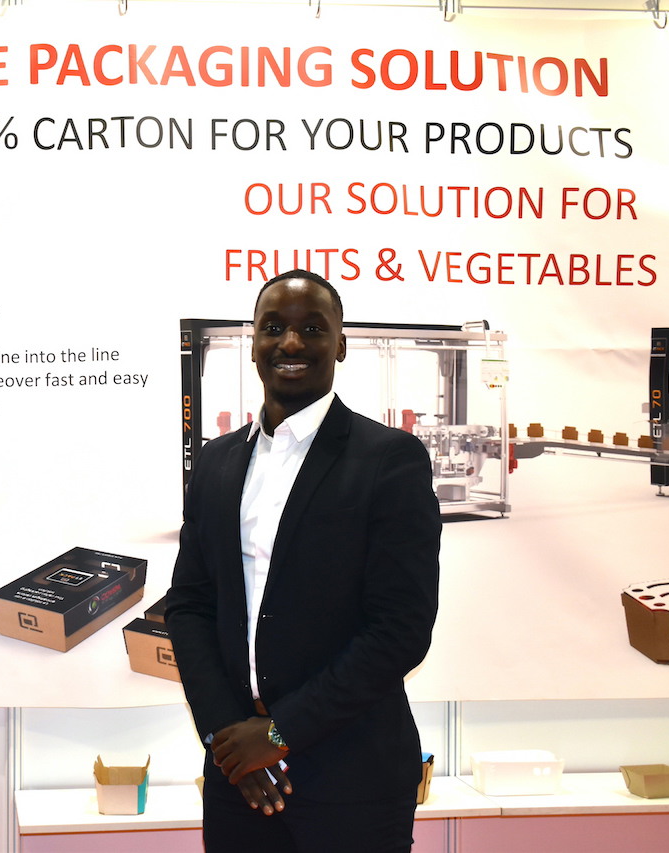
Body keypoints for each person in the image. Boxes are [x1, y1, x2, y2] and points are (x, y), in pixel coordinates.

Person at [165, 270, 441, 853]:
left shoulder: (389, 460)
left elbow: (400, 630)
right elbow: (189, 606)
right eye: (273, 328)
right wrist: (228, 738)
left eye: (312, 329)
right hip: (238, 775)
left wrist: (276, 735)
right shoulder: (216, 463)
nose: (290, 343)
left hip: (353, 778)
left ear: (340, 345)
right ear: (254, 343)